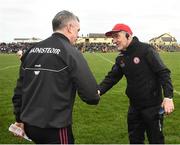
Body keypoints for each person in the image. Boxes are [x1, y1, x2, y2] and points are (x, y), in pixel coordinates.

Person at [12, 10, 100, 144]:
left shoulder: (31, 50)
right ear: (70, 28)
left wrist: (19, 119)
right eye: (78, 30)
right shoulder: (71, 52)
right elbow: (90, 95)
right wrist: (95, 96)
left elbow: (19, 89)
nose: (77, 35)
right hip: (55, 128)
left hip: (30, 126)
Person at [98, 23, 174, 144]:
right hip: (134, 108)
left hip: (153, 108)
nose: (114, 40)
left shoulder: (146, 50)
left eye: (117, 36)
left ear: (128, 35)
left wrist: (168, 97)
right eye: (113, 37)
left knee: (156, 141)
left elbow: (163, 72)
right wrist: (98, 90)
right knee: (135, 140)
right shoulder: (121, 57)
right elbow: (112, 77)